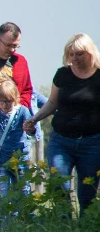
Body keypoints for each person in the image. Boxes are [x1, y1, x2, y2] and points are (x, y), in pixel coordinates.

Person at [24, 33, 100, 215]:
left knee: (87, 193)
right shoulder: (62, 74)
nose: (74, 58)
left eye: (79, 54)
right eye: (71, 54)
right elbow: (52, 102)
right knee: (59, 185)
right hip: (61, 141)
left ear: (90, 53)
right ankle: (64, 227)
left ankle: (85, 229)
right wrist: (35, 118)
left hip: (92, 143)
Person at [0, 80, 29, 208]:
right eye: (1, 101)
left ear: (15, 99)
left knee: (23, 193)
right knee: (3, 195)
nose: (4, 105)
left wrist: (30, 128)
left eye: (8, 101)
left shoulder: (22, 112)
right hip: (2, 161)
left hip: (20, 160)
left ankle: (24, 217)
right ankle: (4, 219)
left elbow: (31, 132)